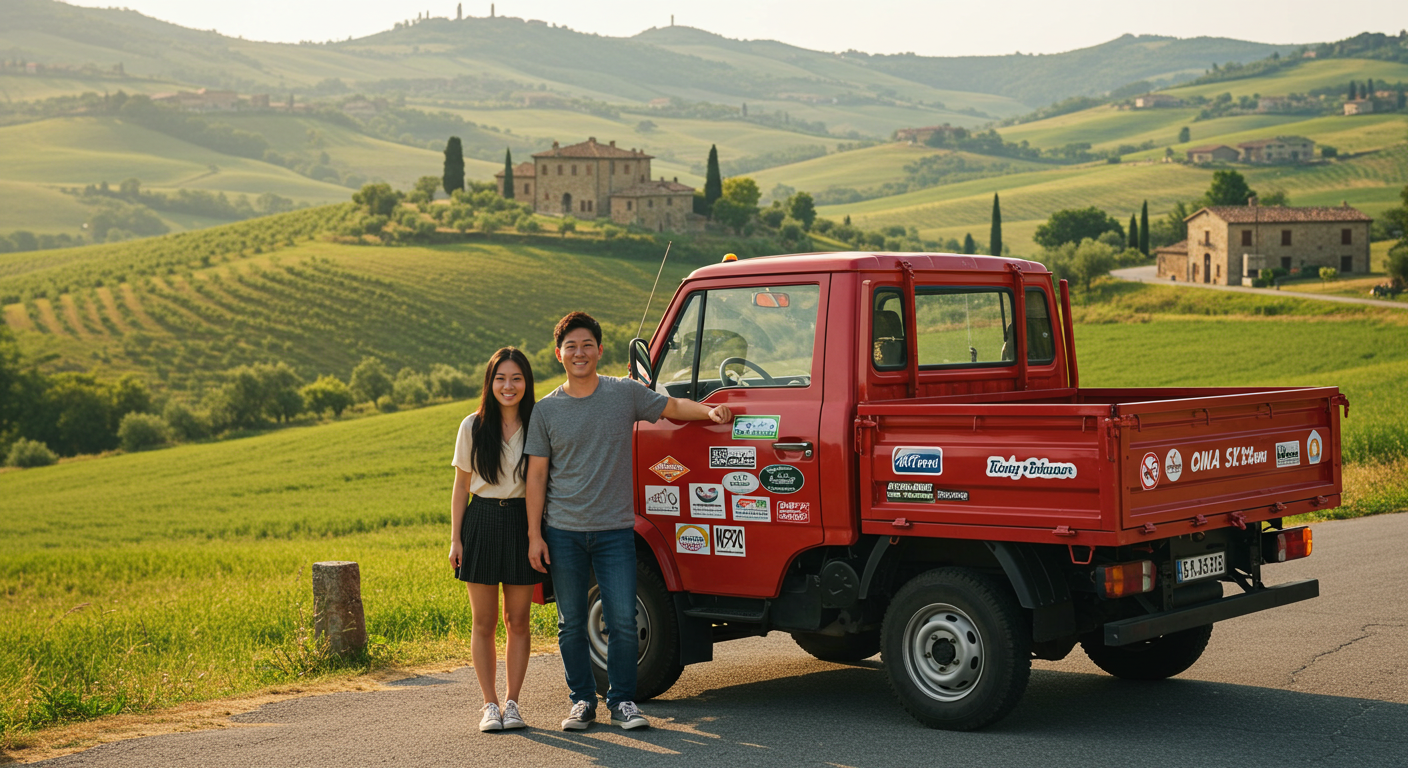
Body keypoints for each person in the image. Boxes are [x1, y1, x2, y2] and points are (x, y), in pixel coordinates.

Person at [524, 312, 732, 731]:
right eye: (571, 346)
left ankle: (622, 702)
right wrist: (534, 535)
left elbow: (673, 407)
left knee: (621, 620)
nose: (579, 353)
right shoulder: (545, 411)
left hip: (615, 529)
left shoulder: (624, 393)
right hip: (563, 532)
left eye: (587, 345)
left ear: (600, 350)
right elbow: (537, 475)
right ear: (558, 354)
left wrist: (709, 413)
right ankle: (582, 701)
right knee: (570, 624)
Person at [449, 347, 544, 733]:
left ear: (527, 383)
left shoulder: (538, 422)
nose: (509, 386)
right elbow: (460, 486)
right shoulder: (472, 425)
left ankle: (513, 703)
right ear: (490, 383)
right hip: (482, 519)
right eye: (501, 378)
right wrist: (455, 539)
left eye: (516, 378)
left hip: (524, 520)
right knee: (484, 622)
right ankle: (489, 704)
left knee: (518, 620)